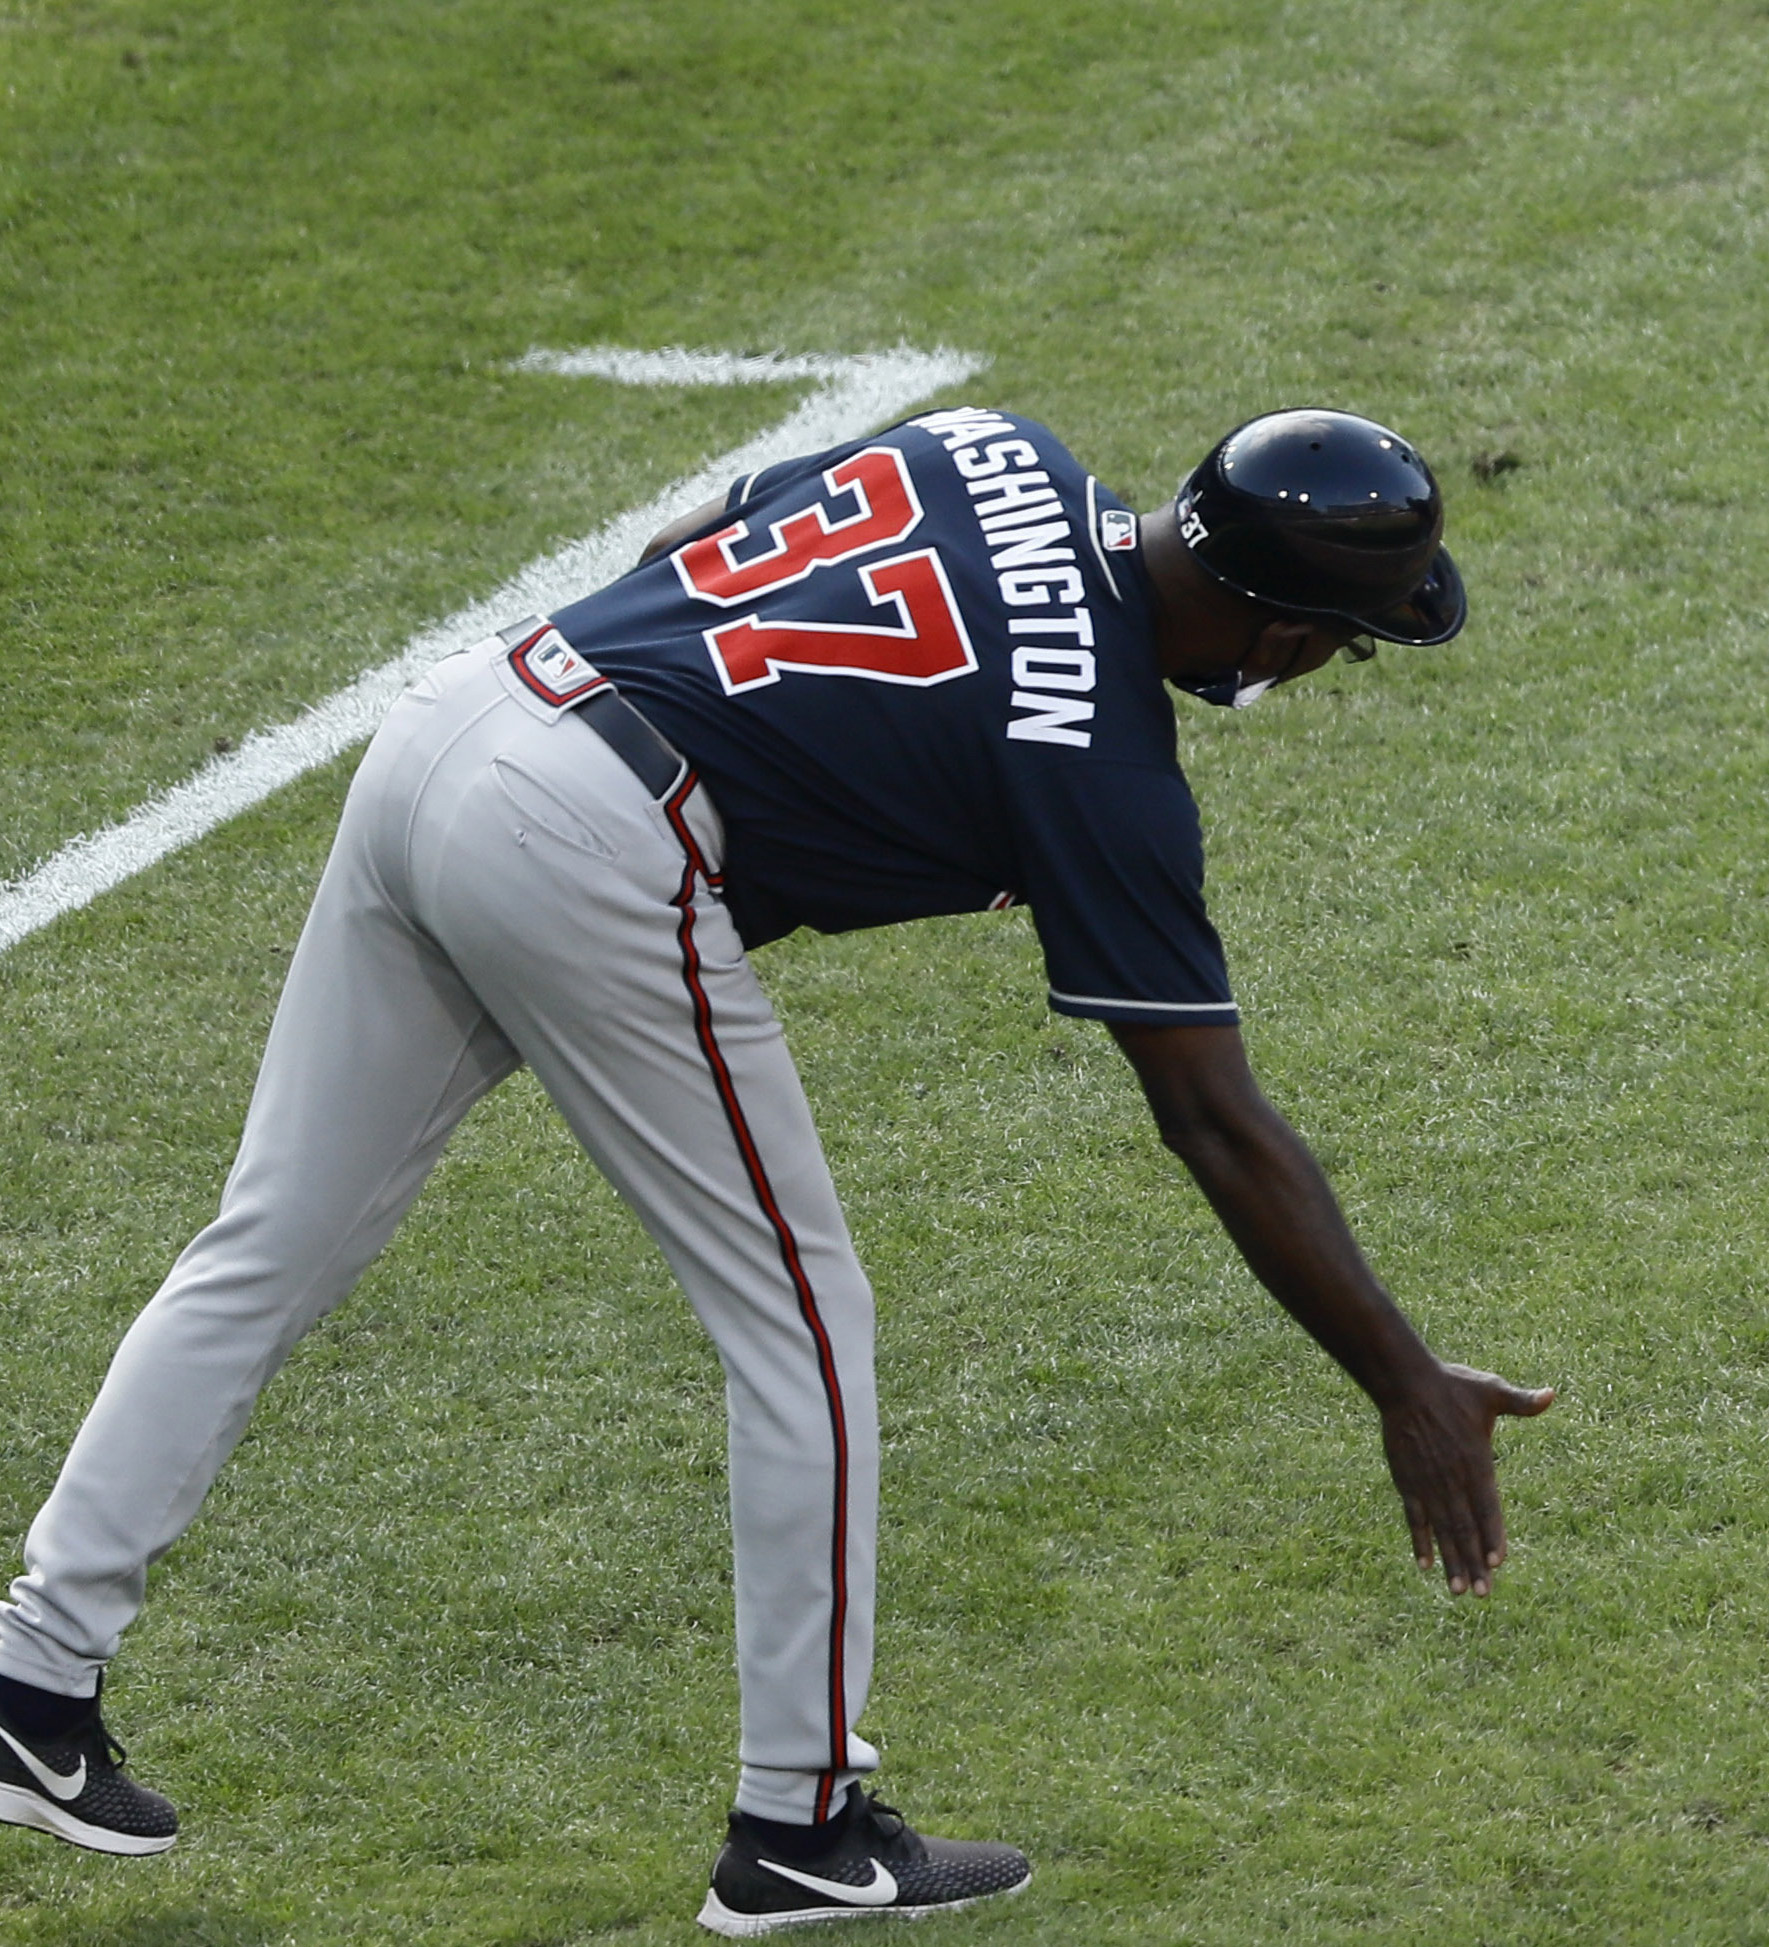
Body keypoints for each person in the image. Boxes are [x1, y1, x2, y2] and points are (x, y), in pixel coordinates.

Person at [0, 404, 1556, 1929]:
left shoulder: (994, 442)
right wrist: (1402, 1378)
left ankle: (31, 1685)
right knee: (805, 1328)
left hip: (461, 720)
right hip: (592, 842)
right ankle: (801, 1823)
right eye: (1339, 645)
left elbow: (699, 534)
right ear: (1279, 631)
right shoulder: (1104, 768)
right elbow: (1215, 1120)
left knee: (264, 1244)